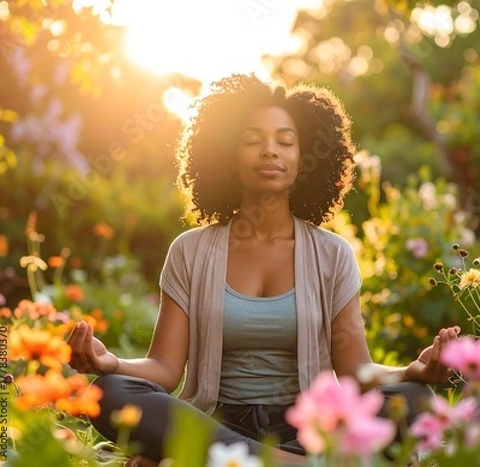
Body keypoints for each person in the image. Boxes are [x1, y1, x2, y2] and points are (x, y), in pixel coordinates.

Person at [67, 73, 460, 467]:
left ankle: (227, 461)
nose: (270, 151)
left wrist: (411, 371)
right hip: (213, 421)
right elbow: (166, 369)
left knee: (412, 400)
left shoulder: (333, 255)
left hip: (307, 425)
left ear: (303, 158)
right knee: (111, 391)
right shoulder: (191, 251)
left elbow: (357, 372)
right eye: (253, 141)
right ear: (227, 155)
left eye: (285, 142)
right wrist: (112, 363)